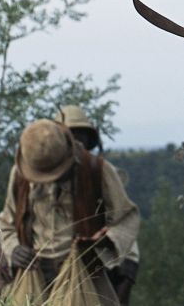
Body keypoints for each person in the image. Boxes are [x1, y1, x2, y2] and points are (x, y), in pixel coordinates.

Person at [0, 118, 140, 305]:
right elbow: (6, 222)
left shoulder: (96, 170)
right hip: (33, 273)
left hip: (84, 274)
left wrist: (103, 243)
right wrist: (13, 248)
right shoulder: (20, 174)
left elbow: (127, 217)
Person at [55, 105, 141, 305]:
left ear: (87, 140)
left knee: (129, 254)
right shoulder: (38, 172)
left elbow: (124, 218)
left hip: (92, 253)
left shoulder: (99, 171)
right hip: (49, 254)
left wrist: (106, 239)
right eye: (69, 136)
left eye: (80, 136)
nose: (75, 142)